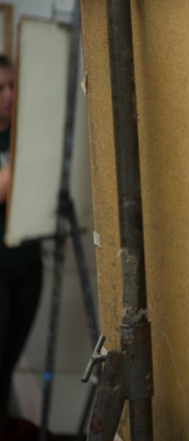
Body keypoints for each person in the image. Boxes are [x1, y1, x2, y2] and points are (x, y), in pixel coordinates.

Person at [0, 55, 43, 432]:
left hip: (29, 263)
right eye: (1, 89)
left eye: (12, 87)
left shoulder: (23, 133)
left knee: (8, 361)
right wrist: (23, 167)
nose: (9, 96)